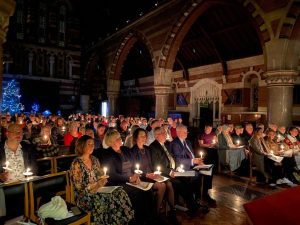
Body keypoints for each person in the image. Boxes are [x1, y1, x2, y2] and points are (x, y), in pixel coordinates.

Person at [70, 135, 134, 225]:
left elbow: (100, 175)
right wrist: (96, 184)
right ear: (82, 146)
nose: (92, 146)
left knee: (120, 192)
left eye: (93, 144)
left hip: (98, 189)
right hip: (85, 196)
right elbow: (79, 187)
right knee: (109, 199)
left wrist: (103, 179)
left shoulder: (94, 159)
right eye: (89, 144)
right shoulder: (77, 163)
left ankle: (121, 221)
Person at [99, 130, 155, 225]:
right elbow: (113, 174)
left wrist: (136, 176)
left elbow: (133, 165)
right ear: (111, 142)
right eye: (117, 139)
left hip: (132, 179)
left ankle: (149, 219)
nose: (121, 139)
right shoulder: (108, 154)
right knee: (137, 193)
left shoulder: (125, 150)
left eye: (120, 137)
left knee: (148, 191)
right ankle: (136, 220)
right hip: (120, 182)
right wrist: (129, 179)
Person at [171, 124, 215, 208]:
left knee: (209, 171)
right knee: (197, 175)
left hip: (192, 165)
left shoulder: (187, 142)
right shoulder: (175, 143)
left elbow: (192, 155)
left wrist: (198, 161)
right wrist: (193, 161)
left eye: (187, 131)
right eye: (185, 132)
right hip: (183, 167)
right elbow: (178, 160)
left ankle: (205, 194)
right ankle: (196, 199)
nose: (187, 133)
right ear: (178, 132)